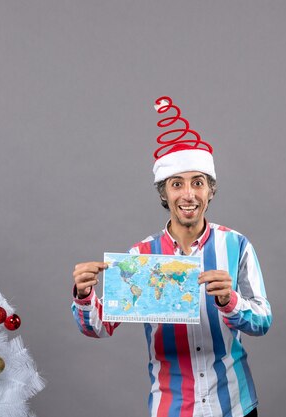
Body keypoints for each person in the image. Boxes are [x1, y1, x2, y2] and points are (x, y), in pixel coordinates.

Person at [71, 96, 272, 417]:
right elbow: (98, 327)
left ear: (210, 190)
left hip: (234, 404)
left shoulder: (236, 245)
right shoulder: (142, 257)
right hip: (173, 406)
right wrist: (84, 294)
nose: (189, 194)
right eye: (177, 184)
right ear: (164, 193)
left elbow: (262, 322)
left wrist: (230, 301)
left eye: (198, 183)